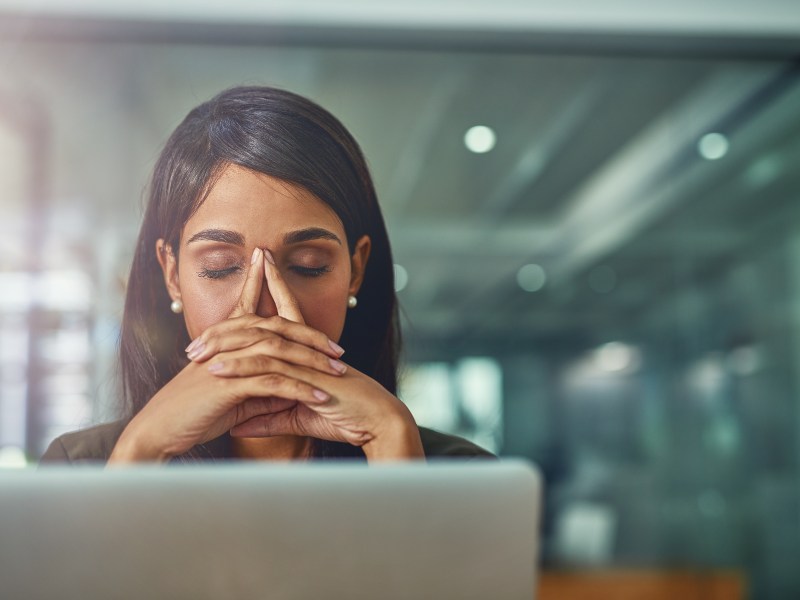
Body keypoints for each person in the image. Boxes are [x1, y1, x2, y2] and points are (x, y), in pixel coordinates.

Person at [41, 86, 491, 464]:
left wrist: (391, 440)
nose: (265, 307)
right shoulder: (84, 465)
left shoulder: (456, 471)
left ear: (355, 271)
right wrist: (142, 450)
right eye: (220, 268)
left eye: (307, 266)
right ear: (173, 275)